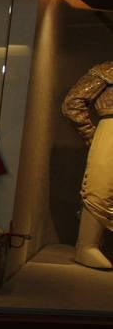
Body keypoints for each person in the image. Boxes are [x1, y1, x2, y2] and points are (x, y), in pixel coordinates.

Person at [61, 61, 113, 269]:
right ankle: (87, 245)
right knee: (100, 187)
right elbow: (73, 102)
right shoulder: (106, 69)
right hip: (110, 127)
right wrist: (90, 133)